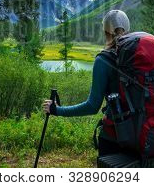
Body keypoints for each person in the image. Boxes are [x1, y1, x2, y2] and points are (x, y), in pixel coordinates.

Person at [42, 9, 131, 157]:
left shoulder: (103, 60)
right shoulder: (140, 54)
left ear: (105, 32)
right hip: (147, 131)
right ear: (128, 28)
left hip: (117, 135)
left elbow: (92, 106)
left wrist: (57, 110)